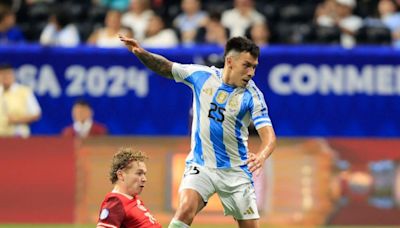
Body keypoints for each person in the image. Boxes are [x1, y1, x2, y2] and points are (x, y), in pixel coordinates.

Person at [119, 34, 277, 228]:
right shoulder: (202, 76)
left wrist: (261, 156)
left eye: (254, 67)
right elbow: (166, 67)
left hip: (236, 171)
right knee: (185, 209)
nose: (251, 72)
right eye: (247, 65)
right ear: (230, 62)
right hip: (201, 165)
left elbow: (269, 137)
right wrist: (140, 52)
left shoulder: (253, 96)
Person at [97, 147, 162, 228]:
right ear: (121, 175)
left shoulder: (131, 199)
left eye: (144, 174)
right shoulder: (116, 202)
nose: (144, 179)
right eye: (139, 173)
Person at [0, 63, 41, 137]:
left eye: (8, 74)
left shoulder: (24, 91)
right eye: (3, 74)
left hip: (18, 136)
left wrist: (18, 120)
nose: (5, 77)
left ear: (13, 75)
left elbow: (36, 114)